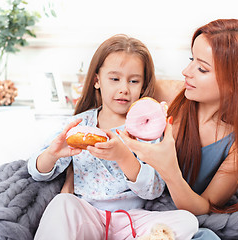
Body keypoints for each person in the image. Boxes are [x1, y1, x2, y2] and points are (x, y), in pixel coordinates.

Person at [28, 34, 199, 240]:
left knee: (187, 221)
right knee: (61, 203)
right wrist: (52, 154)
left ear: (143, 86)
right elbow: (37, 173)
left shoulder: (149, 131)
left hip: (133, 221)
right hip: (88, 216)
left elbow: (154, 189)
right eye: (114, 79)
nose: (124, 89)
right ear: (97, 81)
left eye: (134, 81)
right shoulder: (80, 125)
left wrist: (123, 156)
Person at [117, 18, 238, 216]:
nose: (186, 72)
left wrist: (170, 171)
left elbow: (203, 208)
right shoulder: (166, 95)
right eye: (191, 60)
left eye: (202, 68)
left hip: (188, 216)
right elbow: (104, 111)